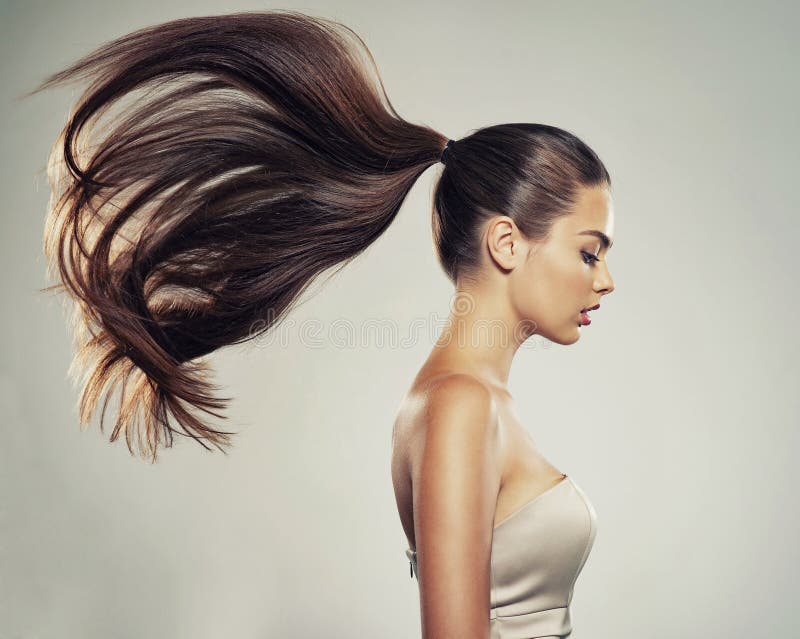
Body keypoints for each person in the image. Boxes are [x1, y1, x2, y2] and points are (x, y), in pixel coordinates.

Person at [31, 9, 615, 638]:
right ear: (506, 242)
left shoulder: (477, 400)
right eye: (589, 251)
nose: (605, 279)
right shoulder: (460, 404)